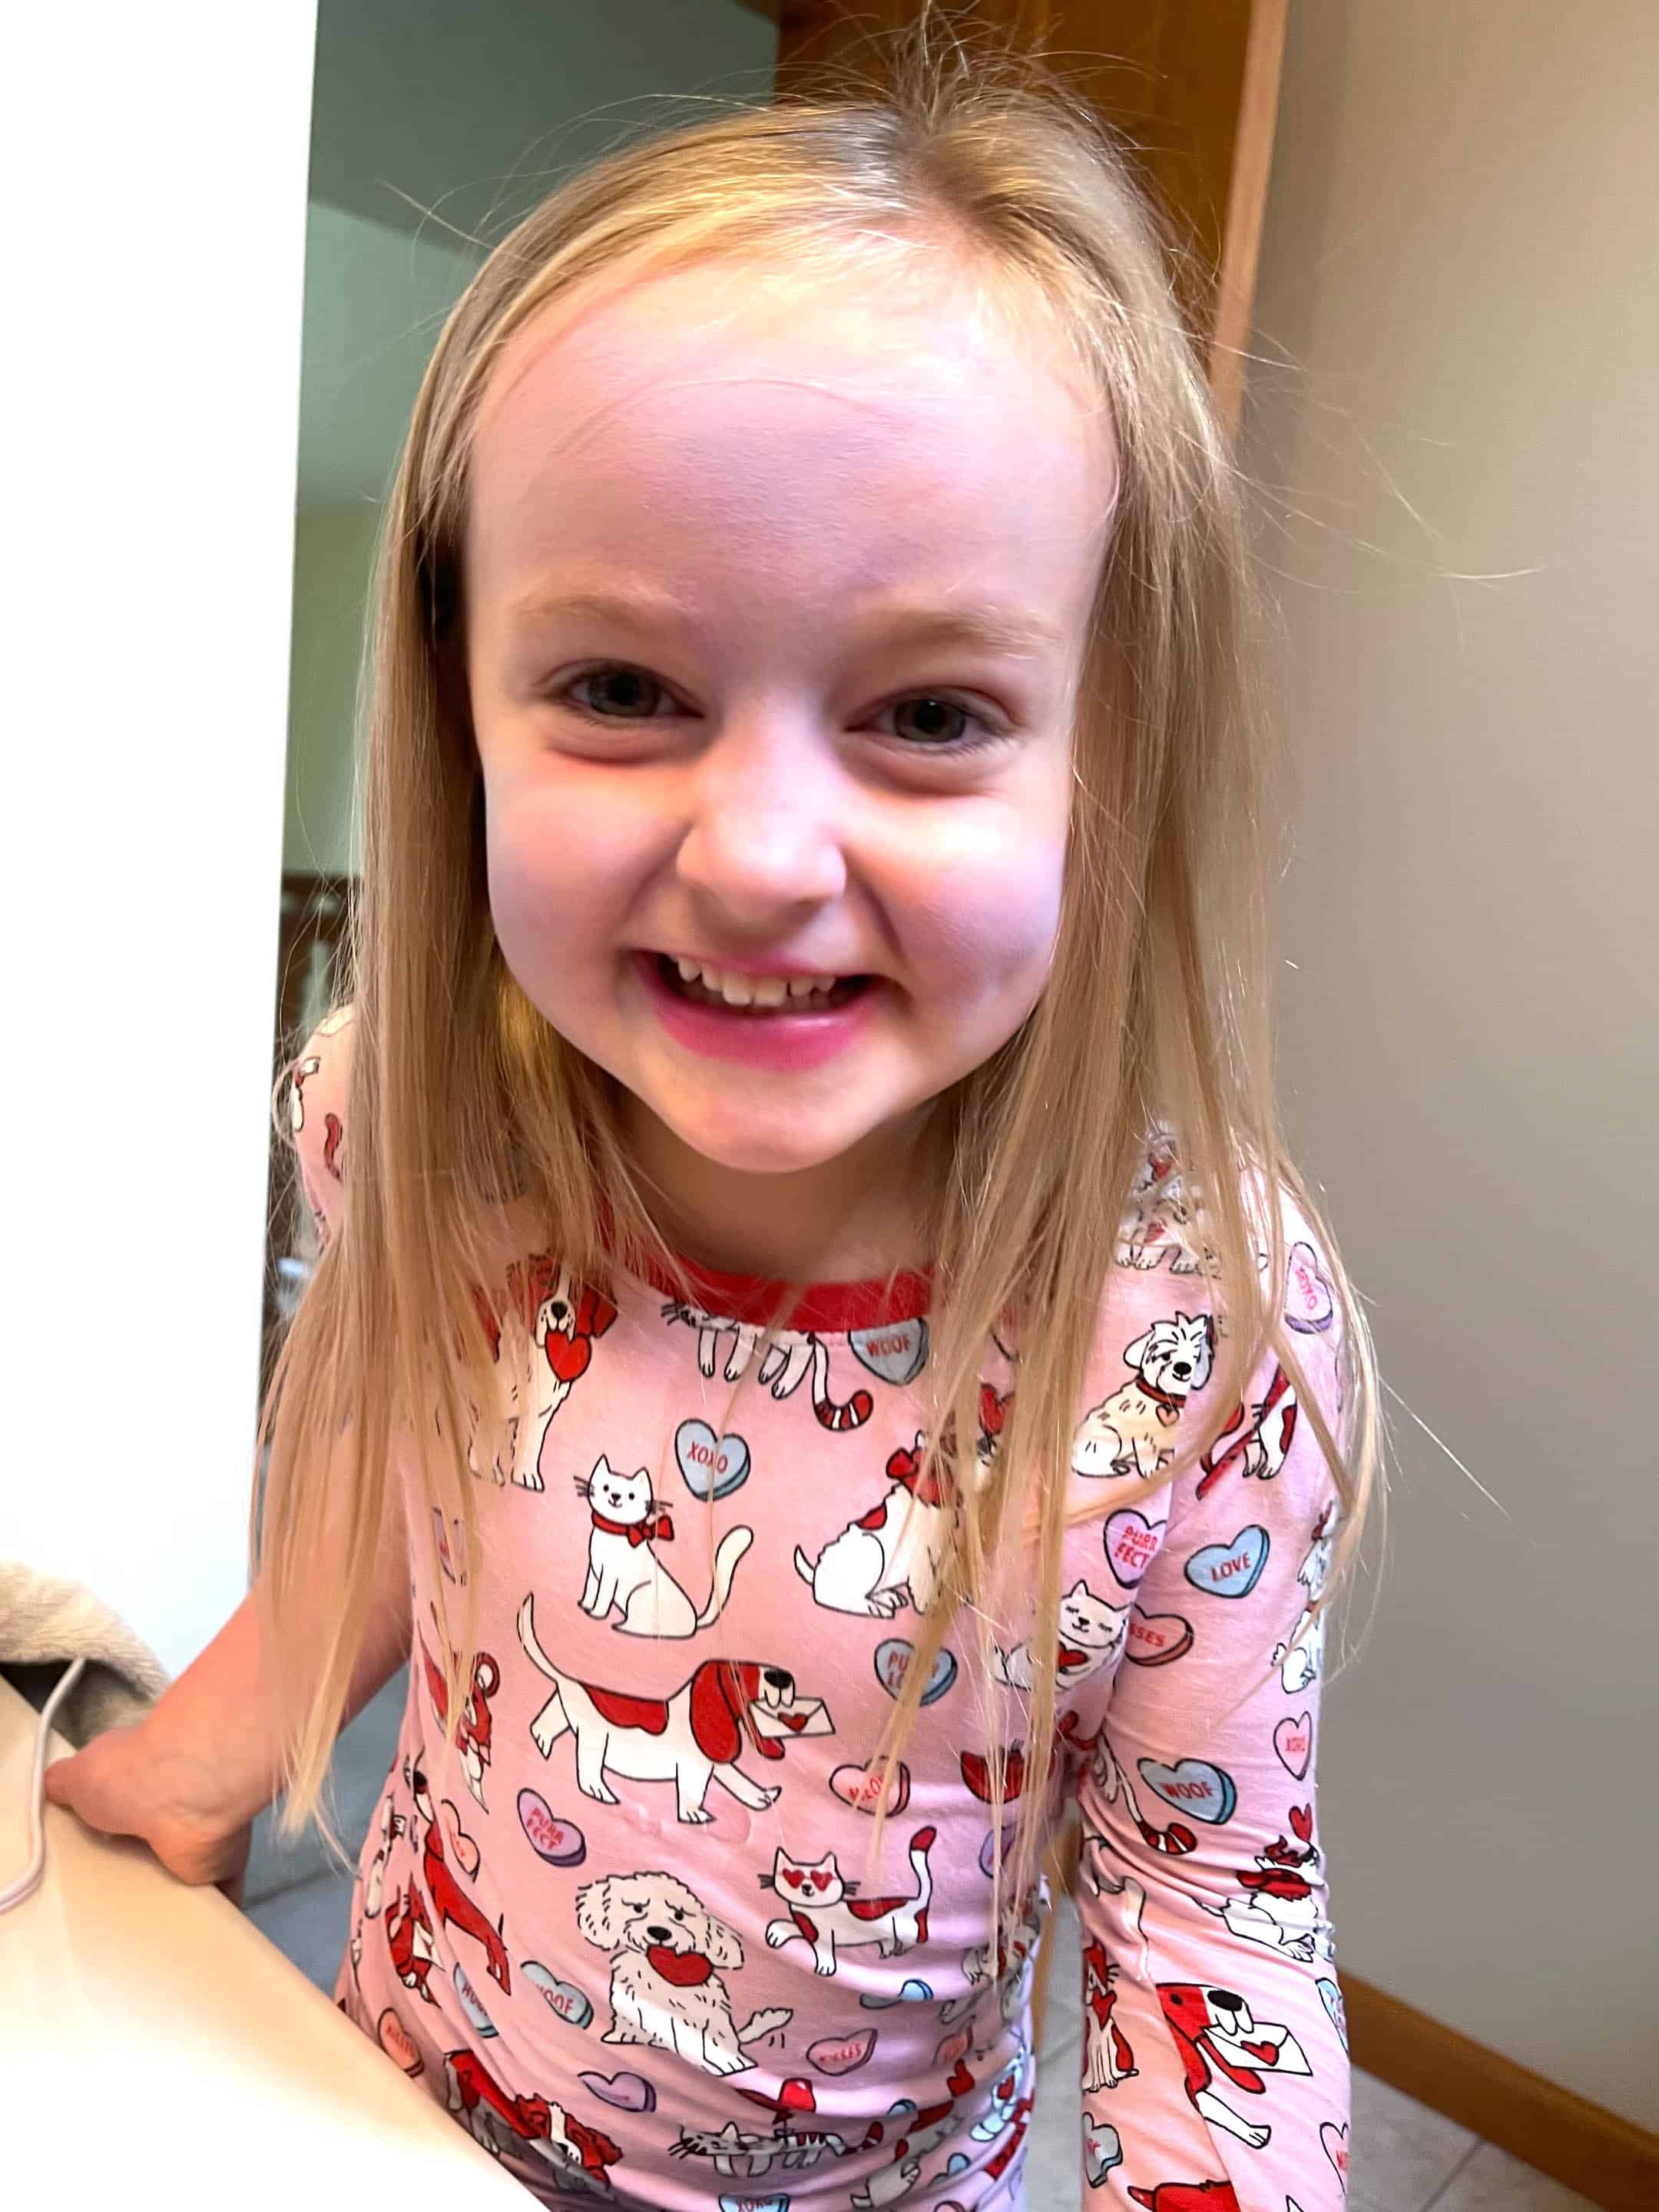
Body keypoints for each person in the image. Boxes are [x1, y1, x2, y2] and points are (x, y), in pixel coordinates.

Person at [45, 18, 1379, 2208]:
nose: (761, 858)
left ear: (1105, 754)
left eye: (930, 713)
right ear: (461, 711)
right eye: (622, 689)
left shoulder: (1193, 1330)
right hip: (395, 2124)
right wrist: (199, 1756)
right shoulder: (411, 1123)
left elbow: (1211, 1925)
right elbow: (391, 1461)